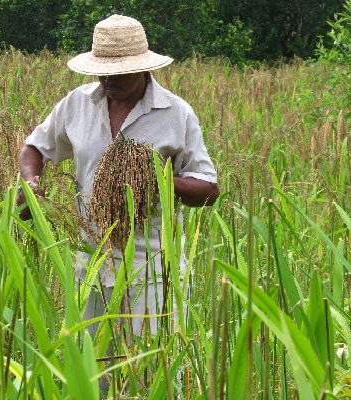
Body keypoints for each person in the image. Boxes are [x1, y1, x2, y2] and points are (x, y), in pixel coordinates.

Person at [18, 12, 219, 381]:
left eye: (118, 73)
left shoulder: (175, 113)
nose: (107, 80)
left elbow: (208, 189)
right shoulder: (78, 104)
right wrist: (31, 184)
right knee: (95, 375)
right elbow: (35, 147)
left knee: (151, 375)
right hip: (91, 262)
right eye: (102, 71)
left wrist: (158, 178)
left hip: (155, 268)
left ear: (142, 69)